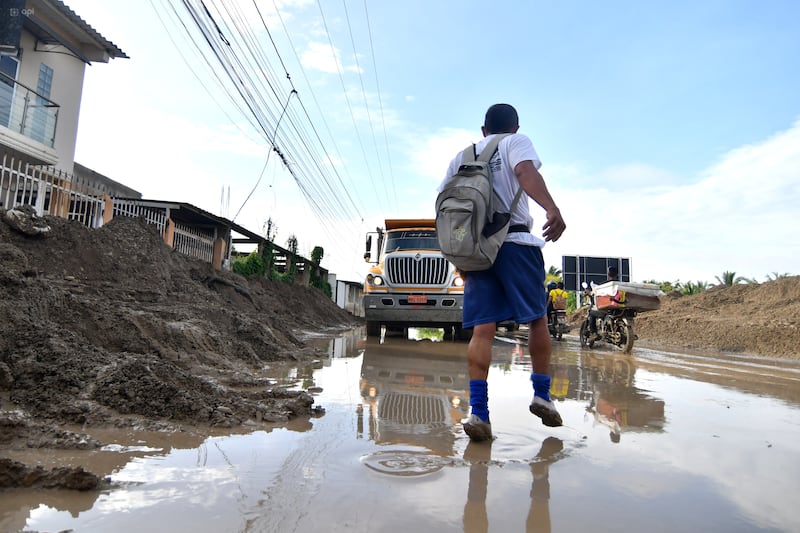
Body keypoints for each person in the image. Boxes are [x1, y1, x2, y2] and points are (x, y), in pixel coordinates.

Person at [440, 103, 567, 441]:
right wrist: (552, 208)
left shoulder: (461, 157)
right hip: (516, 244)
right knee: (537, 318)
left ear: (484, 130)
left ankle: (479, 413)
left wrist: (459, 257)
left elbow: (446, 206)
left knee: (482, 330)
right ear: (515, 127)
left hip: (477, 250)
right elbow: (526, 174)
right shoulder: (516, 143)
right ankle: (542, 394)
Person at [587, 266, 619, 340]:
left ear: (608, 274)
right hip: (619, 309)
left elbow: (596, 293)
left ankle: (593, 333)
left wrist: (590, 293)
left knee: (592, 313)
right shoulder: (620, 284)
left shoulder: (604, 285)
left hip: (608, 310)